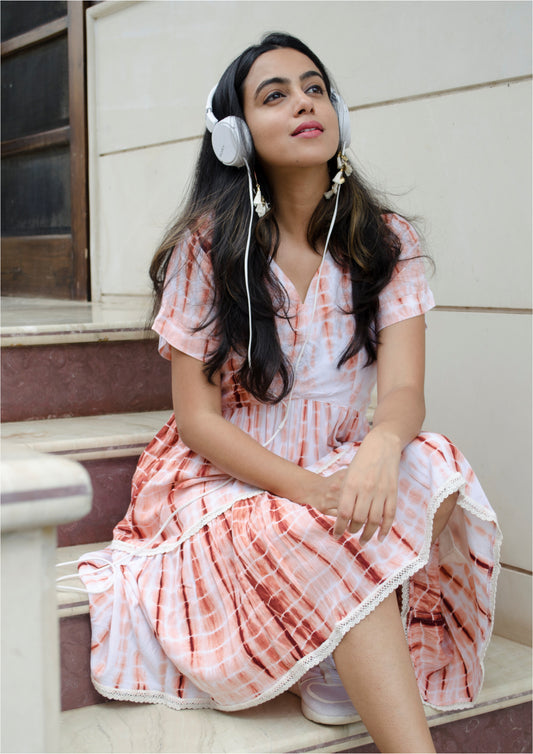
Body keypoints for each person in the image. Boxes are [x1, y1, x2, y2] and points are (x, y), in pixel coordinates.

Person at [78, 32, 501, 753]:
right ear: (237, 137)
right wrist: (313, 489)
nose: (302, 102)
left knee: (433, 466)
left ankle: (332, 642)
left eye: (313, 88)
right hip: (222, 474)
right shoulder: (209, 248)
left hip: (336, 455)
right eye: (273, 95)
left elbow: (401, 389)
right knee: (326, 519)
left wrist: (379, 445)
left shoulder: (384, 241)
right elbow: (197, 422)